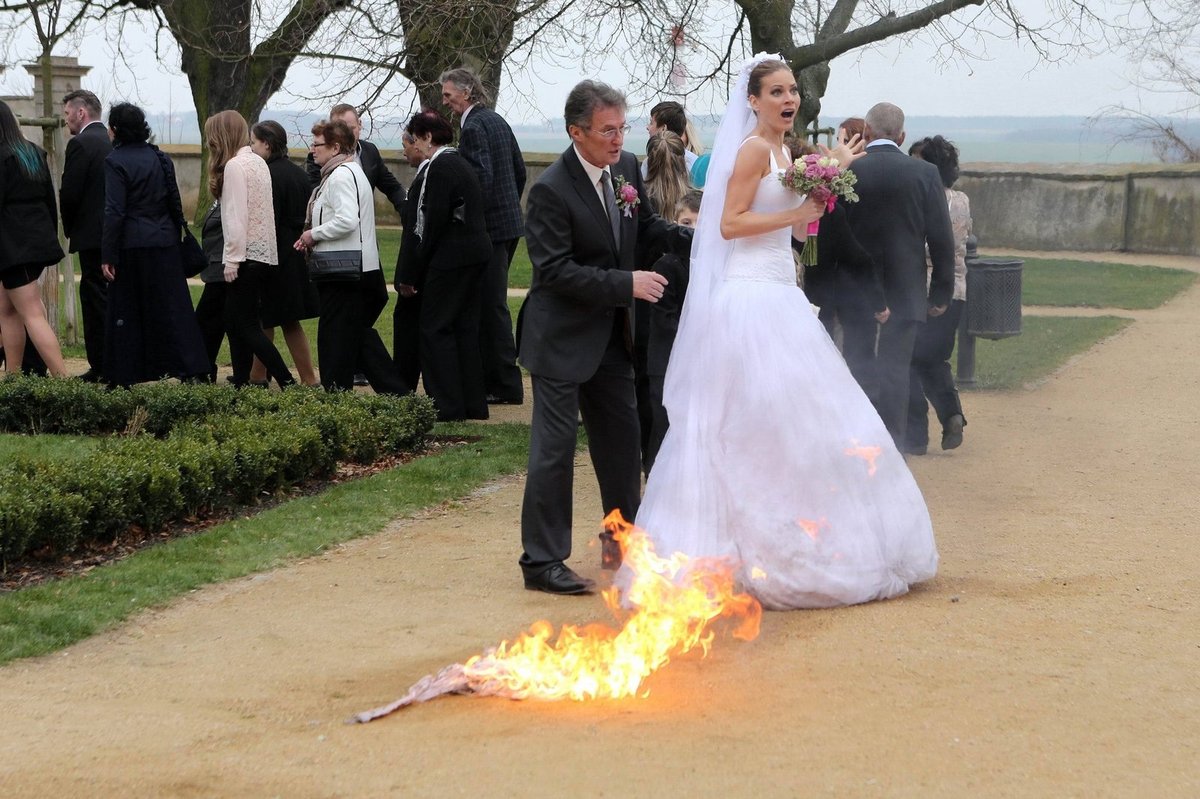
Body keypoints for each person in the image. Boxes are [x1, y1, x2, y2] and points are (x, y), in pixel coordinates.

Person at [629, 55, 937, 611]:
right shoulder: (751, 150)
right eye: (776, 92)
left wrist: (812, 202)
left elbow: (794, 233)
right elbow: (729, 223)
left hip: (782, 294)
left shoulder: (786, 152)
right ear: (753, 101)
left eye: (792, 90)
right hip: (749, 299)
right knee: (750, 420)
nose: (788, 99)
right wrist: (794, 209)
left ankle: (800, 541)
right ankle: (731, 551)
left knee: (805, 421)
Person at [517, 80, 691, 596]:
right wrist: (627, 284)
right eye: (607, 130)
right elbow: (554, 272)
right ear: (577, 132)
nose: (618, 139)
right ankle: (542, 561)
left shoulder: (627, 171)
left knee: (621, 445)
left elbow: (645, 230)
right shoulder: (550, 190)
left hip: (614, 339)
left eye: (622, 128)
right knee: (554, 450)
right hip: (560, 340)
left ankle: (622, 540)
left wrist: (700, 241)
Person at [843, 102, 955, 451]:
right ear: (902, 136)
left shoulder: (849, 172)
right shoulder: (924, 175)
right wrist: (940, 292)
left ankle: (858, 444)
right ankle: (893, 449)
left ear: (868, 133)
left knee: (857, 364)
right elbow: (941, 237)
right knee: (895, 370)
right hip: (906, 286)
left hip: (855, 286)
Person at [295, 118, 407, 395]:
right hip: (357, 267)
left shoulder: (342, 175)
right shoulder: (349, 171)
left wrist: (313, 234)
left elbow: (347, 220)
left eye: (317, 144)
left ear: (335, 147)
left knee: (336, 333)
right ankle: (393, 392)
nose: (312, 150)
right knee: (355, 333)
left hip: (344, 269)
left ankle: (338, 391)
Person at [100, 102, 209, 386]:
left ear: (114, 130)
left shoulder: (115, 161)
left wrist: (108, 254)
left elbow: (114, 212)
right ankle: (190, 368)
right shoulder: (160, 158)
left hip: (132, 245)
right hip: (165, 243)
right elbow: (172, 202)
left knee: (127, 311)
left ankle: (124, 373)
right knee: (173, 310)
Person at [395, 109, 490, 421]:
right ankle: (471, 403)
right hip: (474, 255)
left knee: (435, 329)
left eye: (413, 138)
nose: (410, 147)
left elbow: (426, 223)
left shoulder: (437, 168)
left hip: (450, 259)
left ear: (426, 138)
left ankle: (446, 405)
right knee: (464, 328)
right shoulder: (460, 164)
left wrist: (411, 273)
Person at [440, 67, 526, 406]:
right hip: (508, 225)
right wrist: (508, 208)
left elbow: (480, 181)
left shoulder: (474, 127)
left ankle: (505, 384)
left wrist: (467, 218)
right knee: (492, 304)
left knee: (491, 307)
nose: (446, 102)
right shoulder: (497, 121)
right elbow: (519, 171)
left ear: (467, 93)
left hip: (489, 229)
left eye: (449, 95)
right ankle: (500, 380)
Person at [196, 110, 295, 389]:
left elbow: (236, 217)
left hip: (245, 257)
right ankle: (243, 381)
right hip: (262, 255)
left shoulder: (235, 166)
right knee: (236, 322)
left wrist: (232, 260)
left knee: (247, 327)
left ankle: (286, 381)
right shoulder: (258, 162)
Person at [905, 135, 971, 455]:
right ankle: (952, 415)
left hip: (929, 288)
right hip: (957, 291)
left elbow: (930, 247)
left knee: (908, 360)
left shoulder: (926, 201)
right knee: (934, 359)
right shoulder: (962, 200)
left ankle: (916, 435)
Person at [801, 117, 885, 352]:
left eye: (847, 141)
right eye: (841, 141)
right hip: (828, 281)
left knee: (859, 353)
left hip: (857, 282)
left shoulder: (863, 178)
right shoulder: (826, 184)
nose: (842, 148)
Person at [636, 130, 692, 471]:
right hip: (679, 286)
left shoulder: (645, 199)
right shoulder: (690, 199)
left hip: (650, 286)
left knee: (647, 371)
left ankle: (651, 451)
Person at [248, 120, 319, 386]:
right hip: (296, 253)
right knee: (275, 319)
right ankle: (257, 376)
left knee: (276, 318)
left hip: (275, 255)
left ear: (266, 144)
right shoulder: (299, 174)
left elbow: (268, 221)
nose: (251, 148)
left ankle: (308, 379)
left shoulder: (266, 175)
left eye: (253, 142)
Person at [0, 100, 68, 378]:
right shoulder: (34, 153)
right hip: (35, 243)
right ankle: (14, 378)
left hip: (14, 247)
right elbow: (50, 201)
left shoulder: (2, 158)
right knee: (6, 310)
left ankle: (63, 380)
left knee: (31, 314)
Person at [644, 188, 701, 471]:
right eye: (685, 224)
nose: (691, 231)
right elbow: (663, 318)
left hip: (699, 358)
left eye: (698, 224)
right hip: (666, 360)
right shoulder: (667, 265)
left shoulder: (708, 267)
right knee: (665, 421)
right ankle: (654, 472)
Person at [60, 89, 112, 382]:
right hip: (113, 234)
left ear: (81, 113)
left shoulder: (80, 144)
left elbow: (70, 194)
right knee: (110, 300)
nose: (66, 119)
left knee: (93, 302)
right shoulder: (110, 141)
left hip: (91, 235)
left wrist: (70, 229)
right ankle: (113, 361)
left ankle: (100, 366)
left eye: (68, 113)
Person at [392, 127, 428, 391]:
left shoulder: (426, 175)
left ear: (417, 144)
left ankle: (404, 385)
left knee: (408, 325)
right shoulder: (425, 173)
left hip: (418, 270)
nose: (403, 151)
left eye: (405, 145)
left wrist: (407, 274)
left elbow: (416, 229)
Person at [641, 100, 699, 176]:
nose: (648, 127)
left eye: (651, 123)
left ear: (663, 128)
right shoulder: (695, 163)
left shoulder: (649, 164)